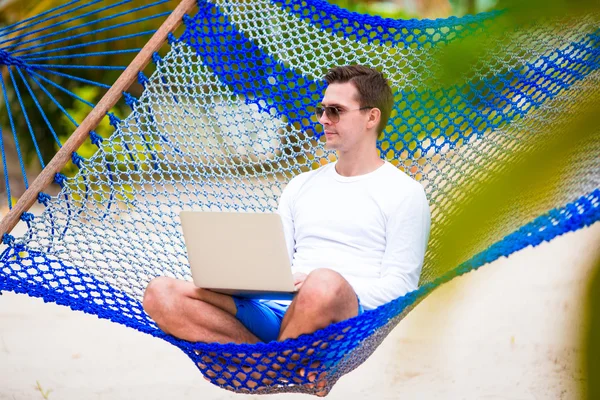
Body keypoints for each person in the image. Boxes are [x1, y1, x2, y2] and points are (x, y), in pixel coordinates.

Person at [142, 65, 431, 346]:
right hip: (276, 311)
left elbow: (400, 289)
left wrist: (317, 285)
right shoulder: (301, 185)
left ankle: (273, 362)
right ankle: (266, 366)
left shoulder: (404, 193)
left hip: (346, 321)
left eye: (336, 111)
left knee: (324, 283)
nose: (324, 119)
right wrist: (237, 280)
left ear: (371, 118)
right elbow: (276, 266)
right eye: (322, 110)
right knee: (160, 293)